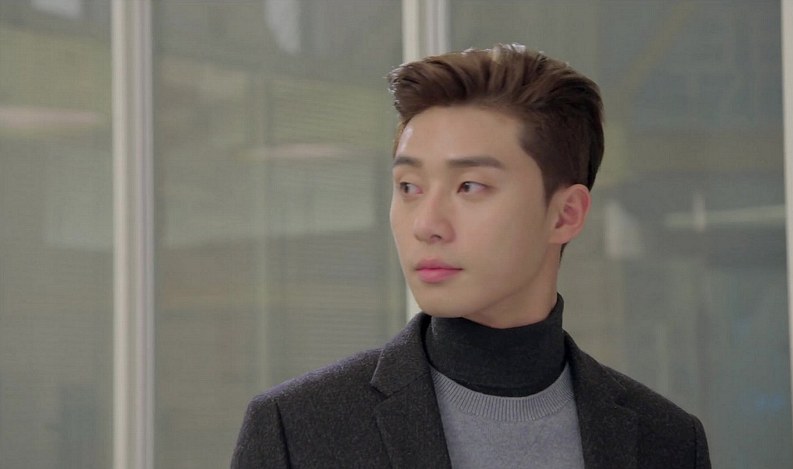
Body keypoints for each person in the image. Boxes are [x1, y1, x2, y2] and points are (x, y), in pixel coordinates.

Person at [232, 43, 711, 469]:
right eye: (409, 187)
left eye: (470, 186)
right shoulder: (298, 431)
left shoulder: (666, 442)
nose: (427, 224)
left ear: (565, 214)